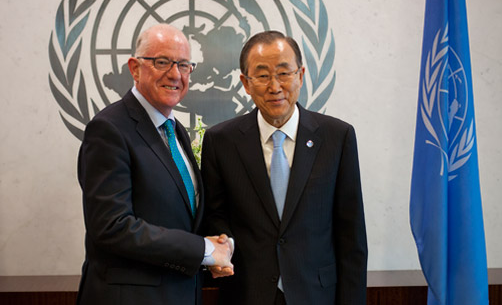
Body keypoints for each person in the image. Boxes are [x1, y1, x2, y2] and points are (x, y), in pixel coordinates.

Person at [202, 31, 367, 304]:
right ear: (245, 82)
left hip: (317, 294)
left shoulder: (337, 137)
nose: (275, 86)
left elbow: (351, 237)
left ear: (300, 75)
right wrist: (223, 246)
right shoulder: (221, 141)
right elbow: (215, 215)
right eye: (263, 75)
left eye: (284, 73)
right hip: (247, 293)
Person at [77, 23, 233, 305]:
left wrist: (218, 247)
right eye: (162, 62)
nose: (175, 74)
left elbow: (179, 217)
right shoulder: (109, 129)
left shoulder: (176, 131)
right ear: (135, 68)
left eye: (184, 65)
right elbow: (112, 226)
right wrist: (203, 249)